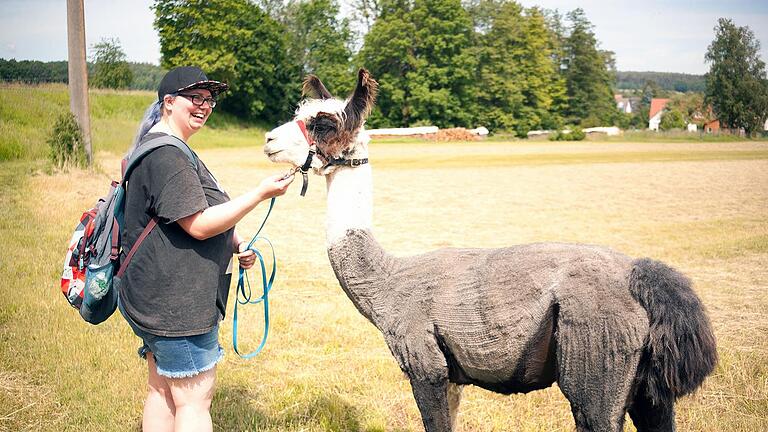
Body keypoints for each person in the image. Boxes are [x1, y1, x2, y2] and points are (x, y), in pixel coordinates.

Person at [118, 66, 294, 431]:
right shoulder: (168, 156)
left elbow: (190, 214)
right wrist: (260, 193)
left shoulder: (162, 146)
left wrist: (235, 242)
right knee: (194, 403)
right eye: (194, 98)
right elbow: (197, 225)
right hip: (176, 306)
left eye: (209, 99)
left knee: (162, 392)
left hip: (154, 299)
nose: (204, 106)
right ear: (168, 103)